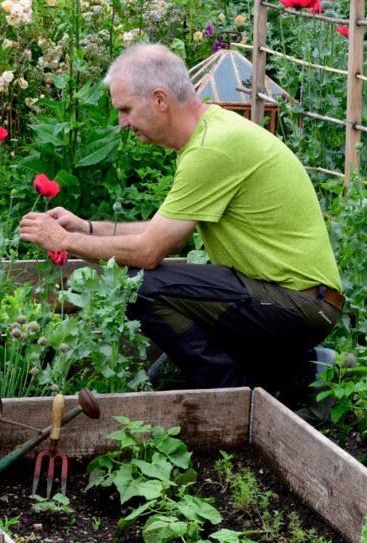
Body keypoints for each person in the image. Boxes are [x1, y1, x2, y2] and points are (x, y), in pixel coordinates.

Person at [19, 42, 344, 409]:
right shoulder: (210, 135)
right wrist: (86, 228)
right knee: (178, 292)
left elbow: (148, 251)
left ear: (159, 100)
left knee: (140, 286)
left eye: (125, 110)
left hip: (300, 304)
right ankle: (305, 372)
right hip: (294, 298)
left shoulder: (212, 148)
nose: (122, 123)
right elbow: (161, 232)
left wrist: (64, 240)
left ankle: (233, 395)